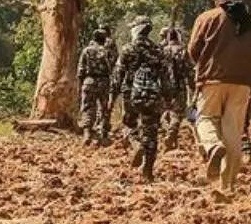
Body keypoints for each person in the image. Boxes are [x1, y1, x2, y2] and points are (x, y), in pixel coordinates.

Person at [188, 0, 251, 192]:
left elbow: (193, 50)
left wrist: (203, 67)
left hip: (212, 79)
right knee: (233, 133)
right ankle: (228, 186)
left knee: (205, 119)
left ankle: (213, 146)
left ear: (219, 2)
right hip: (243, 84)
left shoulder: (207, 18)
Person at [113, 16, 171, 181]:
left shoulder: (128, 49)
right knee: (151, 132)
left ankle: (136, 144)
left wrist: (112, 97)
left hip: (130, 95)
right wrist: (167, 99)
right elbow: (165, 77)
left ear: (136, 29)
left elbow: (118, 75)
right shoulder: (158, 50)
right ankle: (148, 170)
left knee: (129, 125)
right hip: (153, 96)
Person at [78, 28, 115, 146]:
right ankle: (103, 134)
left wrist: (81, 84)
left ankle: (87, 133)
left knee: (88, 107)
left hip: (89, 81)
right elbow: (111, 68)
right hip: (104, 82)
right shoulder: (107, 52)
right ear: (104, 40)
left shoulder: (86, 51)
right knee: (104, 108)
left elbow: (81, 70)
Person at [160, 26, 194, 151]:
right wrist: (193, 87)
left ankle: (170, 136)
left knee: (164, 111)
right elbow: (189, 71)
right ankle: (172, 130)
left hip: (164, 86)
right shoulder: (183, 51)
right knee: (178, 113)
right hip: (179, 86)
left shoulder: (162, 51)